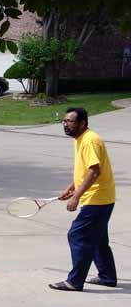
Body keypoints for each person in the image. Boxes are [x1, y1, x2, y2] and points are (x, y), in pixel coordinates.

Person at [49, 107, 117, 291]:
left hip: (97, 198)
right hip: (100, 197)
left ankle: (74, 281)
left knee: (77, 235)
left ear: (82, 123)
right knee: (98, 239)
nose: (65, 124)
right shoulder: (80, 139)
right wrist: (71, 188)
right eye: (64, 121)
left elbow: (94, 171)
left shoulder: (90, 140)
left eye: (70, 121)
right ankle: (107, 276)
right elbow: (86, 170)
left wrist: (76, 197)